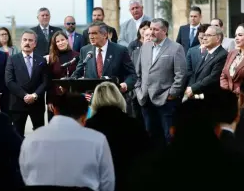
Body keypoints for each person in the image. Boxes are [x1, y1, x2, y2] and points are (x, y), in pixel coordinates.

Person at [19, 93, 115, 191]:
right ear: (85, 115)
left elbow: (25, 176)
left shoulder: (31, 140)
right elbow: (108, 183)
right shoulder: (98, 140)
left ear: (55, 110)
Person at [86, 82, 150, 191]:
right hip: (129, 181)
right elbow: (146, 156)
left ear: (95, 99)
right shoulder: (134, 124)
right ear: (118, 97)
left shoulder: (88, 127)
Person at [135, 18, 186, 146]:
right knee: (149, 136)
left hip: (166, 101)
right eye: (150, 29)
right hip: (145, 99)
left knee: (169, 137)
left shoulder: (176, 48)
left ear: (164, 31)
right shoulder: (145, 48)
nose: (151, 32)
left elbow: (180, 74)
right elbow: (138, 73)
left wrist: (172, 94)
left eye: (155, 29)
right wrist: (139, 91)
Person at [71, 21, 137, 93]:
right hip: (92, 98)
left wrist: (125, 84)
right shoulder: (85, 50)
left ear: (105, 35)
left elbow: (132, 74)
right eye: (89, 33)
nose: (91, 36)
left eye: (94, 33)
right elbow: (77, 73)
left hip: (114, 96)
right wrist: (67, 84)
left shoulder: (120, 50)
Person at [5, 30, 49, 136]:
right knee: (17, 135)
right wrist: (24, 95)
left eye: (30, 40)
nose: (27, 43)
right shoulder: (12, 59)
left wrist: (34, 95)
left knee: (39, 135)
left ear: (35, 44)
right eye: (25, 40)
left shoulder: (41, 60)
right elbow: (9, 81)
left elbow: (45, 82)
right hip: (17, 104)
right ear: (21, 42)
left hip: (37, 104)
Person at [46, 31, 80, 121]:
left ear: (67, 40)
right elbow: (48, 81)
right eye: (58, 41)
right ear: (54, 44)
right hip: (56, 98)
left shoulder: (77, 56)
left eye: (62, 40)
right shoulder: (51, 58)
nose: (61, 43)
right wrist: (49, 101)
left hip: (74, 96)